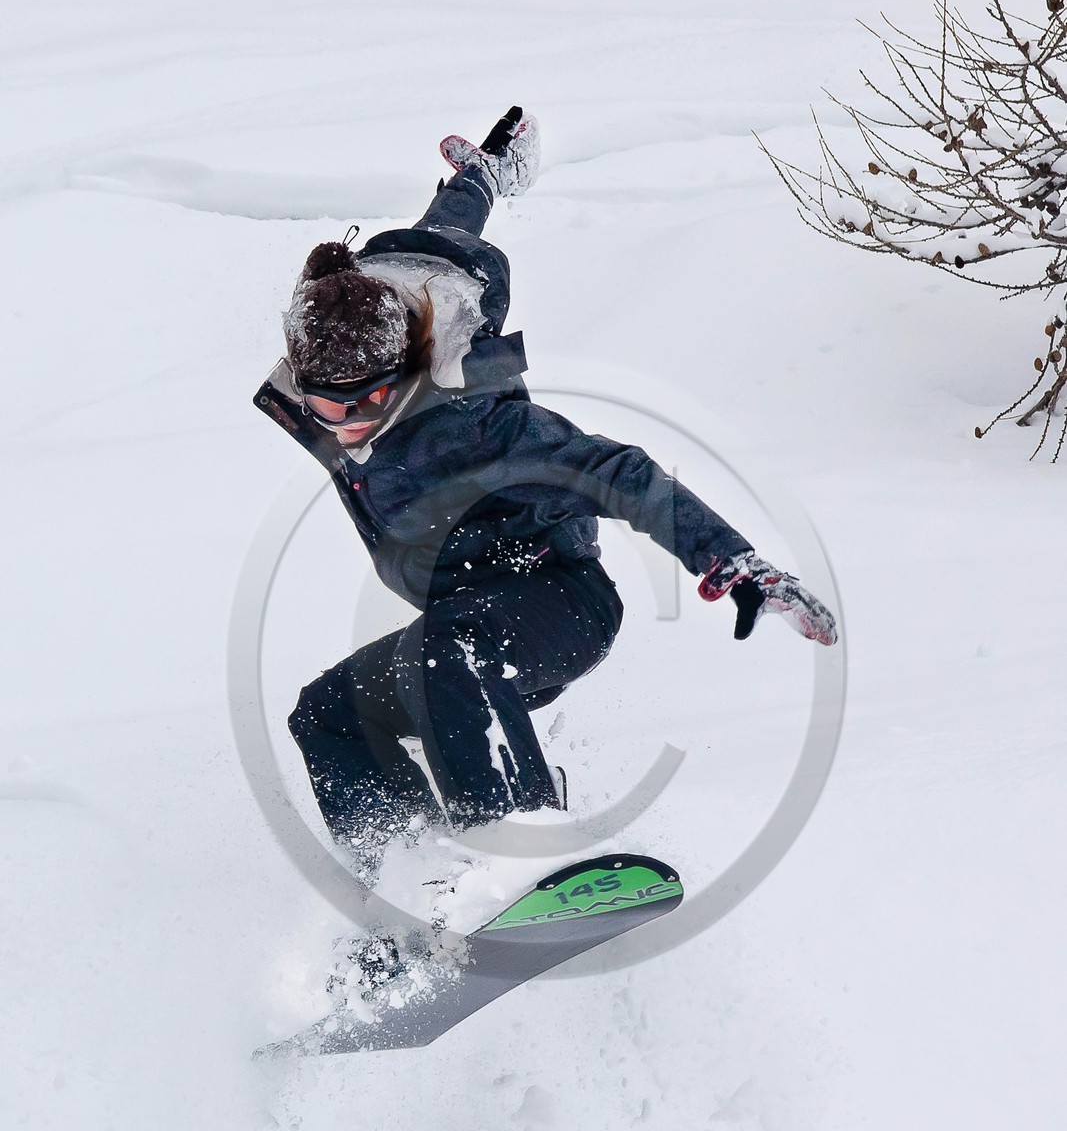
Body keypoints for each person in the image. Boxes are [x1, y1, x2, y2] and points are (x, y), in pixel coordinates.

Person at [254, 108, 837, 884]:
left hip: (557, 603)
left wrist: (733, 563)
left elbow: (620, 472)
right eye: (326, 406)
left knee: (451, 648)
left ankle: (519, 846)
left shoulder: (479, 424)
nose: (345, 423)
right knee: (326, 713)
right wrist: (481, 176)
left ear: (403, 369)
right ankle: (406, 876)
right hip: (457, 626)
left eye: (364, 402)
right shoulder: (359, 309)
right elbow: (439, 236)